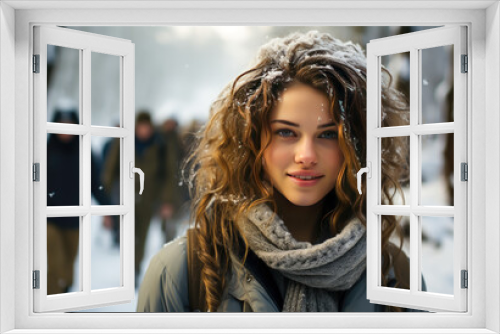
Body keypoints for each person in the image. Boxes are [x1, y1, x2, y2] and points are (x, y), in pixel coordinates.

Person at [137, 31, 418, 312]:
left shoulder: (398, 277)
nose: (306, 155)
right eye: (286, 132)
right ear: (251, 139)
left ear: (358, 147)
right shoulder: (183, 272)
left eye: (329, 135)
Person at [103, 111, 176, 283]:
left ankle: (134, 270)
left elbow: (168, 174)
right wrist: (106, 203)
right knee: (126, 236)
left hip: (148, 199)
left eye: (146, 127)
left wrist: (166, 200)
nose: (143, 131)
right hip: (125, 198)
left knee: (141, 237)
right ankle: (127, 268)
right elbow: (110, 170)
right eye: (140, 127)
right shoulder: (124, 142)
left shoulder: (160, 145)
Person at [47, 109, 111, 294]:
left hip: (75, 218)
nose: (65, 130)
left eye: (70, 126)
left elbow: (95, 183)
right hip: (49, 218)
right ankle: (53, 302)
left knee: (68, 265)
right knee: (55, 265)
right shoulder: (45, 150)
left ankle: (64, 294)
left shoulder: (84, 151)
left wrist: (107, 210)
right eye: (62, 125)